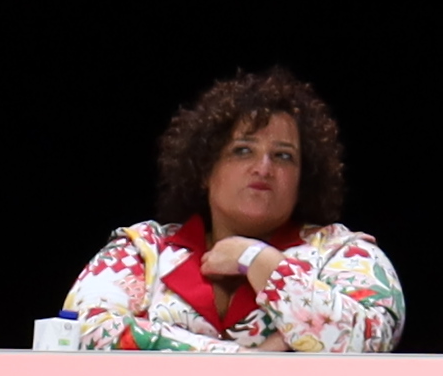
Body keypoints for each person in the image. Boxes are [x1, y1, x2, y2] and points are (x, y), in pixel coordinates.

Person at [62, 68, 409, 353]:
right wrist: (248, 362)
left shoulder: (344, 253)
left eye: (283, 156)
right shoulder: (144, 249)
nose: (263, 167)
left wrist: (259, 261)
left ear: (303, 179)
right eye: (242, 151)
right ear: (203, 170)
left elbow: (371, 340)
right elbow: (84, 330)